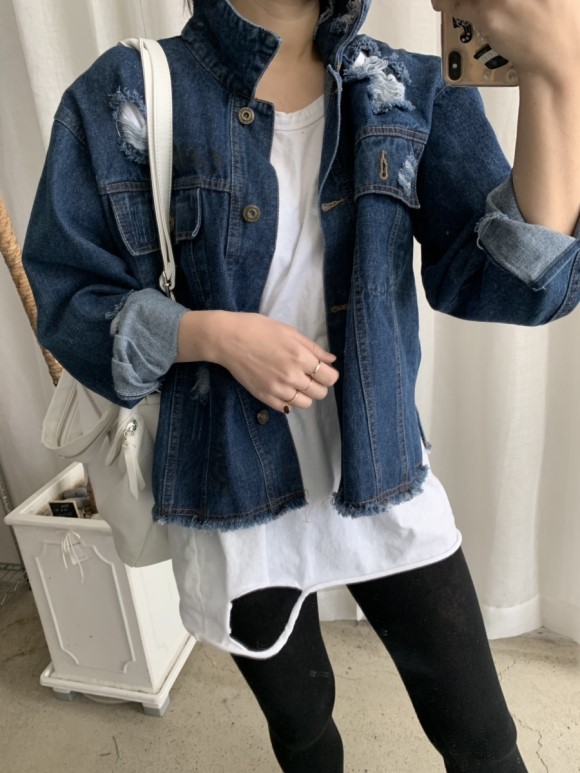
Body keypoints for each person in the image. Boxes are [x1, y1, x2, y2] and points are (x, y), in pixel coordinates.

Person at [23, 0, 579, 770]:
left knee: (483, 737)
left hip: (383, 470)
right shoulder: (127, 93)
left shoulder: (404, 89)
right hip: (231, 488)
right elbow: (70, 302)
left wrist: (561, 75)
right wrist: (212, 336)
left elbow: (509, 285)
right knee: (303, 727)